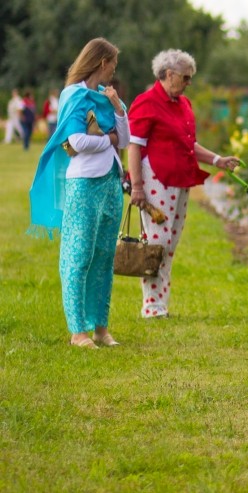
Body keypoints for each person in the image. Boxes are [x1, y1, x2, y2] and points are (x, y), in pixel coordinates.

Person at [28, 37, 129, 348]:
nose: (114, 69)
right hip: (84, 183)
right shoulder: (73, 95)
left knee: (103, 257)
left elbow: (125, 139)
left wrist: (117, 111)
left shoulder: (108, 97)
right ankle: (78, 332)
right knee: (79, 255)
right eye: (113, 63)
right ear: (102, 62)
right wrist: (109, 140)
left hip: (112, 182)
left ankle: (100, 327)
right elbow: (76, 141)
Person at [127, 49, 240, 318]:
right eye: (186, 77)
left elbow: (189, 144)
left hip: (180, 180)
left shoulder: (183, 104)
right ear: (169, 74)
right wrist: (137, 186)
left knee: (170, 245)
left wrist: (217, 159)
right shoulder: (147, 102)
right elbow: (134, 146)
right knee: (158, 243)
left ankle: (160, 305)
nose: (189, 82)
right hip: (157, 178)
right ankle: (152, 307)